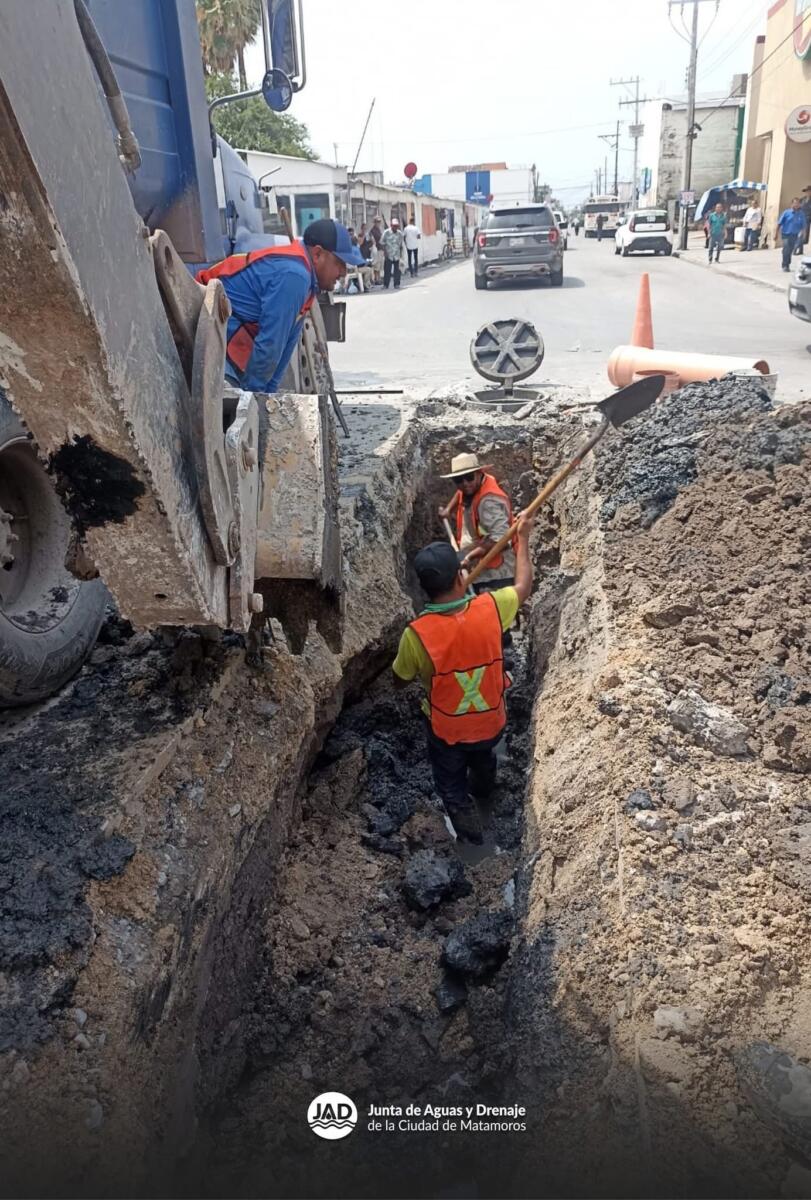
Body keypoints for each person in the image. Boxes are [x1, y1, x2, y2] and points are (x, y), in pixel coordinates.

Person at [391, 513, 534, 844]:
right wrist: (523, 539)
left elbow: (400, 679)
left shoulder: (416, 636)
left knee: (450, 779)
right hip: (490, 723)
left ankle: (466, 826)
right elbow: (523, 586)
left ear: (423, 589)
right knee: (483, 759)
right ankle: (485, 790)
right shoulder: (490, 608)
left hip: (447, 731)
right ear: (460, 577)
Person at [196, 218, 363, 392]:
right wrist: (256, 396)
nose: (344, 272)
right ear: (317, 254)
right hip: (206, 324)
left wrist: (270, 394)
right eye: (339, 262)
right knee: (230, 401)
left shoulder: (307, 284)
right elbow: (270, 344)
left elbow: (285, 345)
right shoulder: (294, 276)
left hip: (228, 332)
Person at [438, 453, 516, 596]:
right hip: (476, 563)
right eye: (458, 480)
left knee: (494, 614)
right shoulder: (474, 486)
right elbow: (461, 492)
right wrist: (448, 510)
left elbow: (502, 539)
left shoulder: (489, 502)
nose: (465, 483)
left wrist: (469, 558)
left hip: (494, 574)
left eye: (469, 477)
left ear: (479, 473)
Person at [777, 198, 806, 271]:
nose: (796, 205)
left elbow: (804, 226)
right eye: (795, 203)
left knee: (790, 250)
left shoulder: (801, 214)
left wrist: (803, 235)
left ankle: (787, 263)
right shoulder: (786, 212)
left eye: (798, 203)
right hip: (785, 234)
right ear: (791, 204)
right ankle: (785, 265)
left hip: (794, 235)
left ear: (799, 205)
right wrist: (776, 234)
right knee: (786, 248)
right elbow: (779, 223)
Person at [382, 217, 405, 289]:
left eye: (397, 226)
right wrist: (385, 253)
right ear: (391, 225)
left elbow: (401, 245)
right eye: (394, 226)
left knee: (397, 271)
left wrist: (401, 256)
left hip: (397, 255)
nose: (396, 227)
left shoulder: (400, 234)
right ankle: (386, 285)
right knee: (387, 270)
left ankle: (396, 284)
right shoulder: (386, 232)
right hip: (389, 255)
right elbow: (382, 243)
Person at [370, 215, 384, 285]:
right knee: (376, 265)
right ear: (374, 222)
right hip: (377, 249)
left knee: (379, 265)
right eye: (377, 222)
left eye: (379, 222)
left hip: (380, 249)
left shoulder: (379, 229)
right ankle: (376, 279)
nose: (379, 223)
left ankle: (379, 278)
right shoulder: (373, 230)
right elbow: (373, 240)